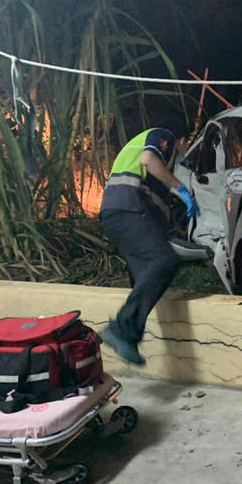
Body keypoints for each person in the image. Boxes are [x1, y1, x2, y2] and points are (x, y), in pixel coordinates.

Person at [98, 127, 199, 364]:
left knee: (145, 277)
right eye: (185, 145)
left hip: (118, 215)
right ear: (181, 139)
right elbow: (148, 159)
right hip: (129, 210)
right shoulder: (164, 134)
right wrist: (180, 188)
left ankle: (128, 338)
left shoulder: (163, 164)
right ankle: (120, 330)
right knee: (164, 261)